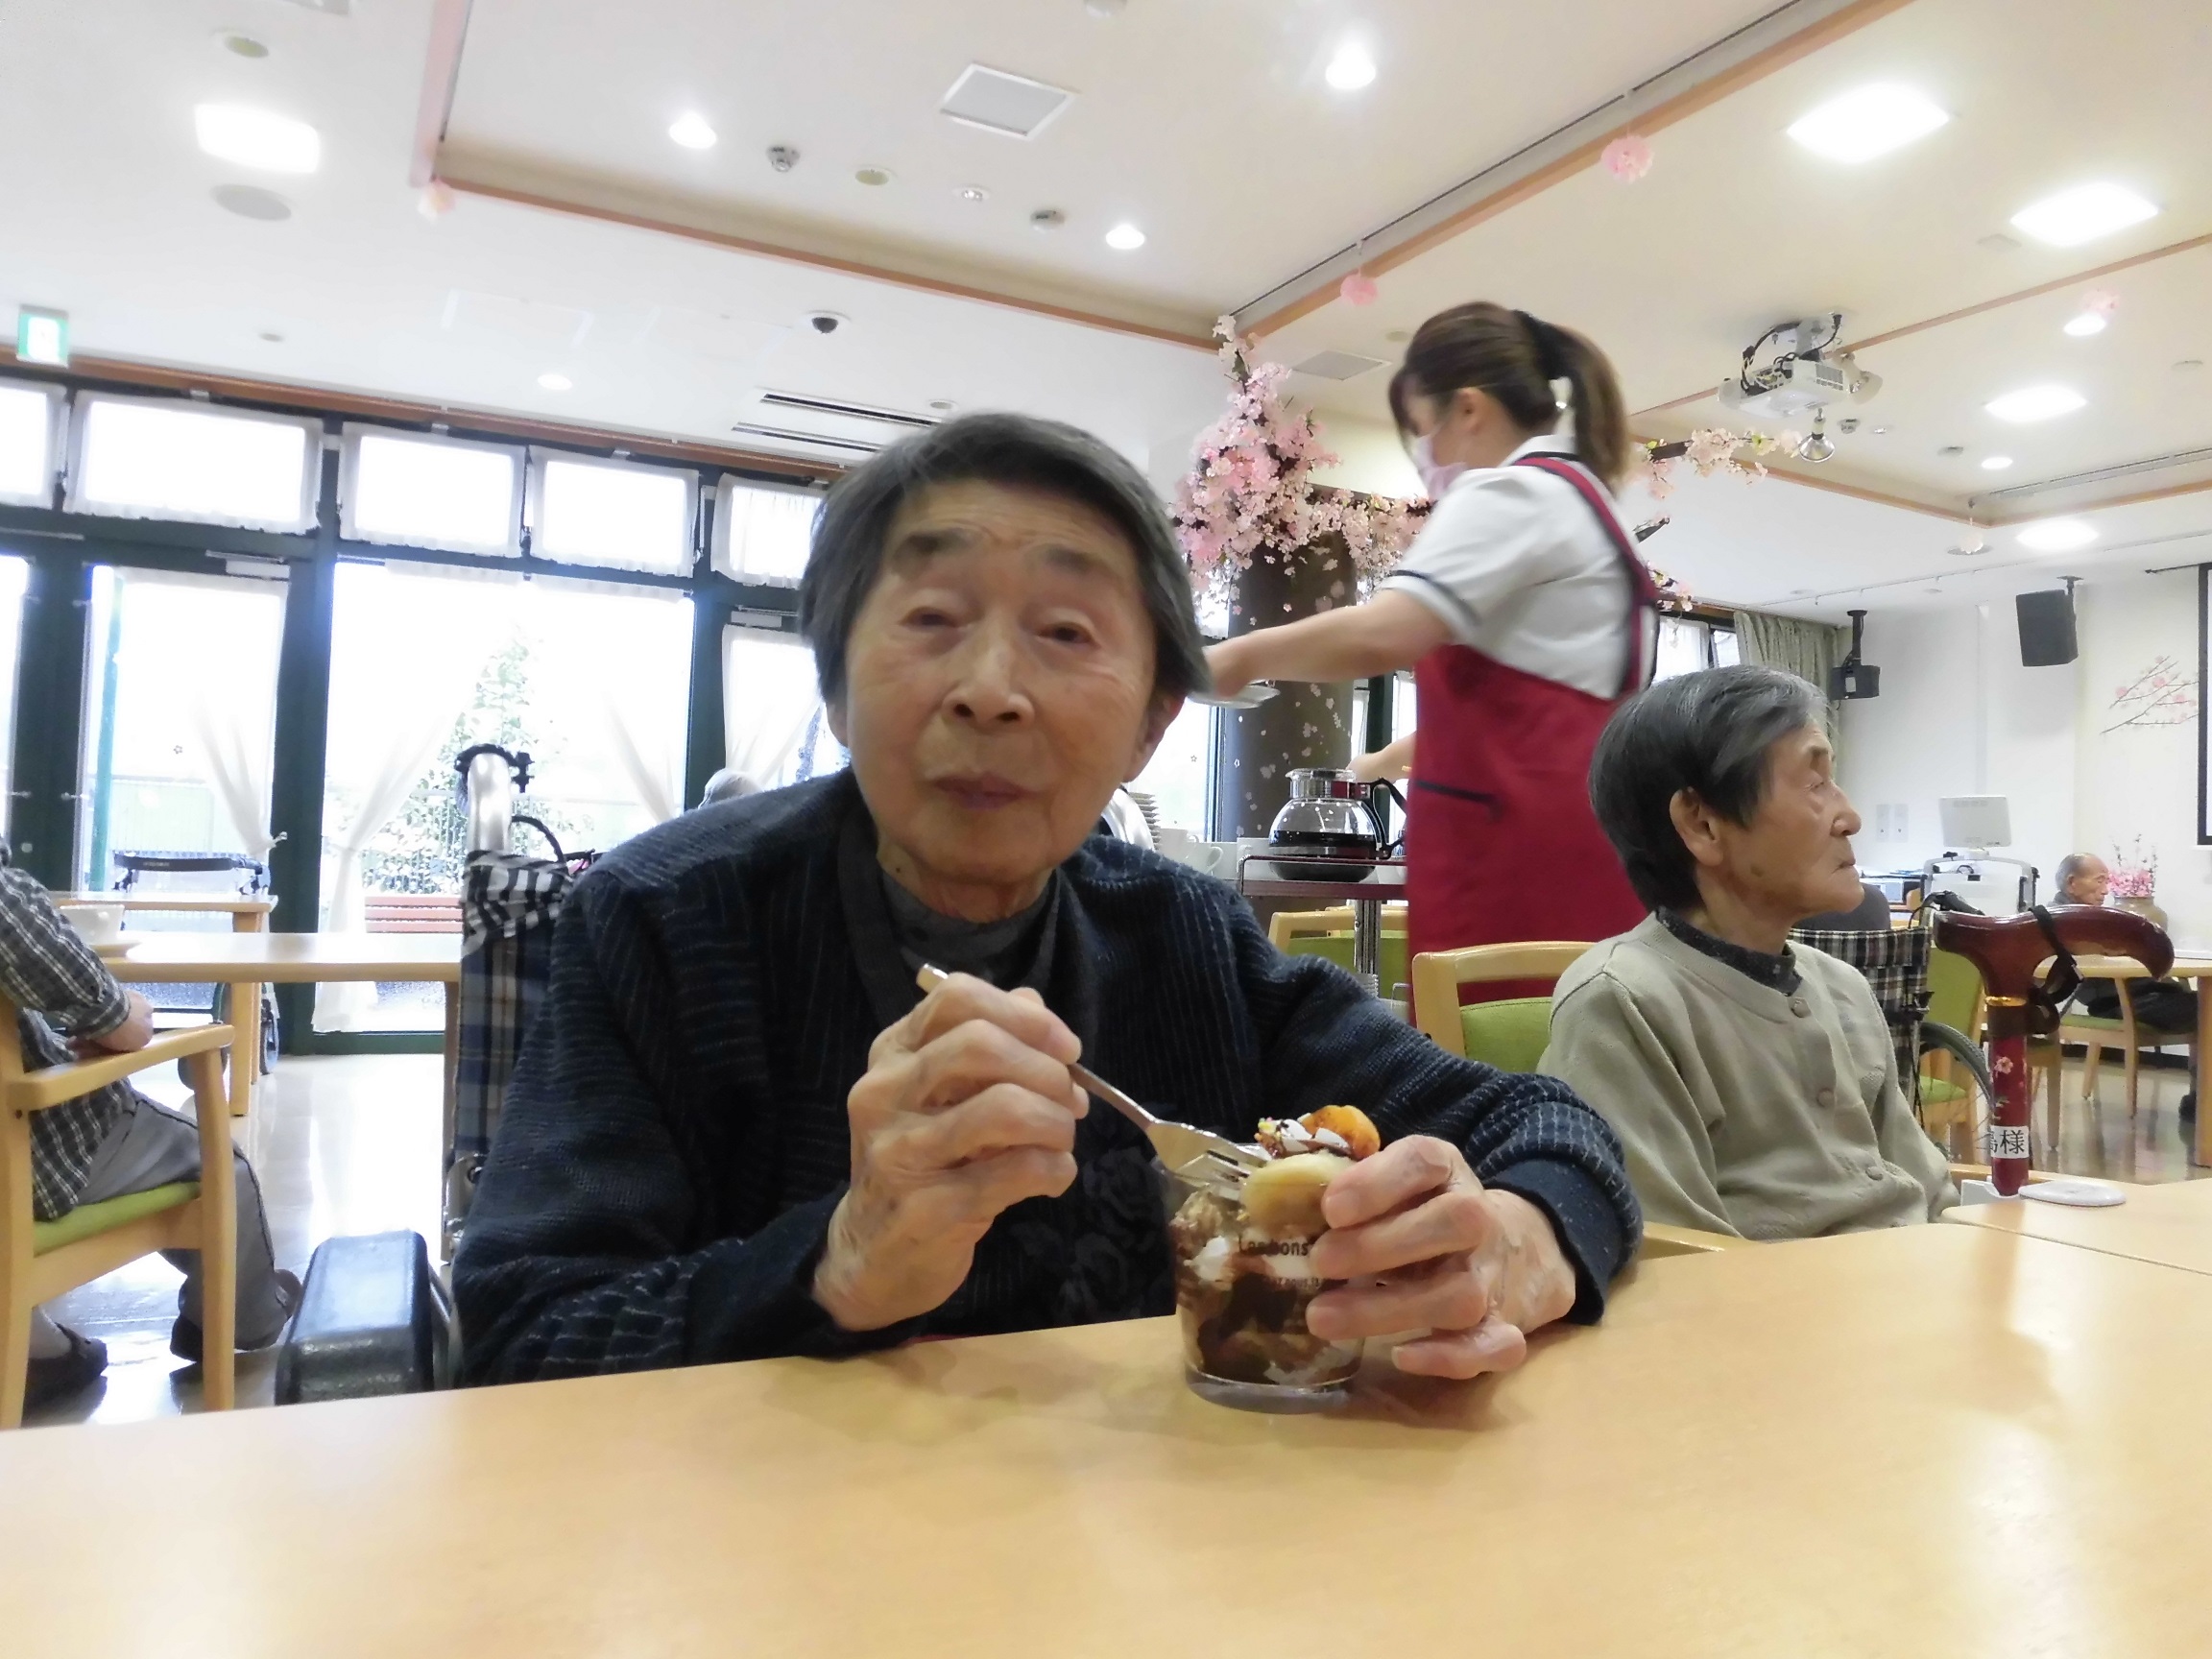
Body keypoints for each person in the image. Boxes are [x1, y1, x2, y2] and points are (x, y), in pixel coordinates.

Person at [455, 413, 1639, 1384]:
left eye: (1066, 632)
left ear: (1150, 726)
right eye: (931, 619)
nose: (990, 690)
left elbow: (1547, 1125)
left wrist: (1516, 1244)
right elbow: (521, 1335)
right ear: (835, 688)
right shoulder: (665, 919)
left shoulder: (1183, 936)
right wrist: (835, 1263)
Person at [1205, 301, 1656, 973]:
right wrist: (1376, 764)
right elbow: (1519, 712)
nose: (1427, 460)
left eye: (1423, 431)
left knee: (1492, 1034)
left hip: (1510, 861)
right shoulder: (1590, 508)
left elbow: (1385, 632)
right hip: (1586, 849)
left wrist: (1238, 656)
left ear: (1468, 409)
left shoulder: (1513, 494)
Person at [1539, 665, 1955, 1239]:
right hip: (1774, 1296)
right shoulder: (1624, 1000)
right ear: (1703, 824)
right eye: (1814, 784)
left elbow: (1931, 1197)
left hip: (1915, 1277)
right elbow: (1672, 1250)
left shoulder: (1843, 987)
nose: (1850, 818)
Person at [0, 858, 297, 1410]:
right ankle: (243, 1320)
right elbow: (120, 1023)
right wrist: (133, 1012)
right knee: (221, 1167)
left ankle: (39, 1346)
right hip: (31, 1161)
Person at [2055, 851, 2196, 1125]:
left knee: (2202, 1004)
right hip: (2118, 1001)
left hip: (2139, 992)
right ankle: (2200, 1099)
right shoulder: (2065, 920)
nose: (2106, 890)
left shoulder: (2092, 917)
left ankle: (2199, 1097)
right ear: (2072, 883)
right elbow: (2097, 961)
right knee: (2205, 1008)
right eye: (2099, 881)